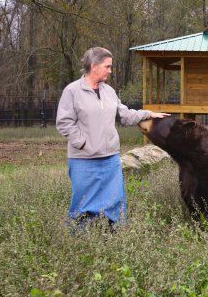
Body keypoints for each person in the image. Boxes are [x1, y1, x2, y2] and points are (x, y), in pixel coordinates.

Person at [56, 47, 168, 227]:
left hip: (110, 159)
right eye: (107, 66)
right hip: (84, 160)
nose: (110, 70)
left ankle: (114, 238)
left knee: (115, 202)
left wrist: (148, 114)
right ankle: (78, 240)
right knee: (83, 204)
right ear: (94, 66)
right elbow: (64, 123)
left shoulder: (109, 91)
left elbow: (124, 115)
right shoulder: (72, 91)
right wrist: (84, 144)